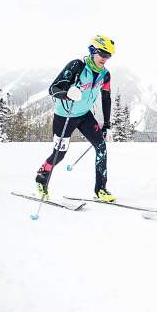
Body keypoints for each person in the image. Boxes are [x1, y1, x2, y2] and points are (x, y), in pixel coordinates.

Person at [35, 35, 116, 202]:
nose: (105, 59)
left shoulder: (105, 75)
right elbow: (53, 89)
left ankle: (100, 189)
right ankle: (41, 179)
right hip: (65, 116)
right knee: (60, 153)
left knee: (101, 147)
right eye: (102, 53)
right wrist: (67, 94)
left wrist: (106, 124)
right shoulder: (77, 66)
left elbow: (106, 98)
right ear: (93, 50)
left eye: (108, 56)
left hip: (84, 115)